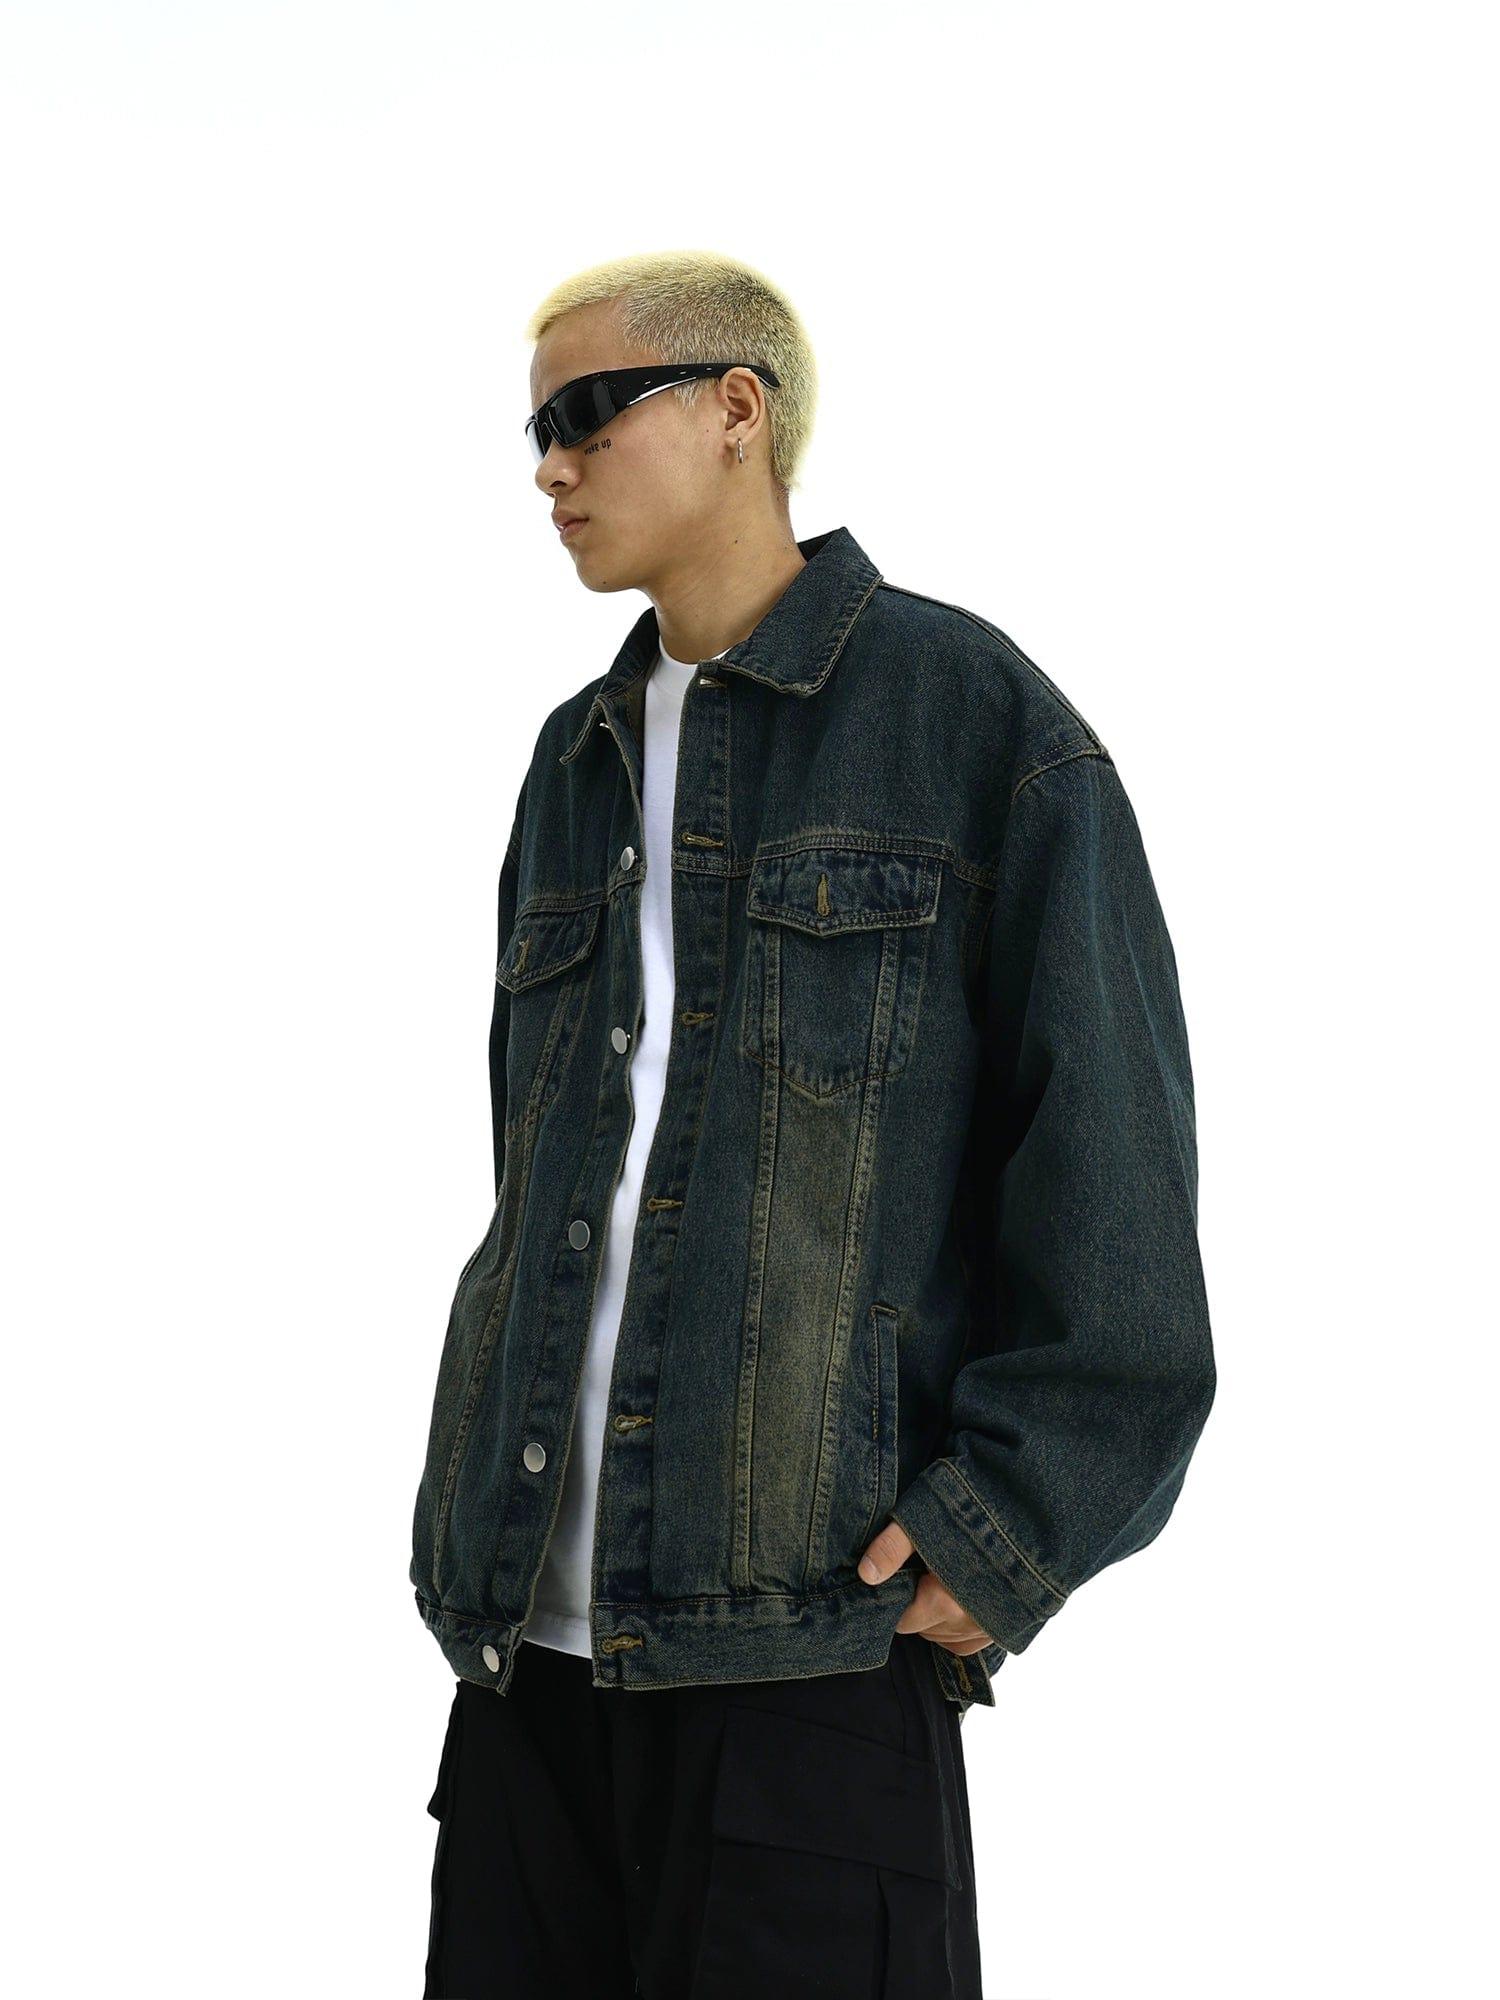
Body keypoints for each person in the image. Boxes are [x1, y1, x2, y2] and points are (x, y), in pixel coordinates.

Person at [411, 248, 1216, 1999]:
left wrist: (1010, 1528)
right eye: (533, 433)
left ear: (736, 409)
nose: (551, 465)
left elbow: (1115, 1177)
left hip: (809, 1661)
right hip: (525, 1668)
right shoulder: (571, 765)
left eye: (585, 414)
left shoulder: (975, 722)